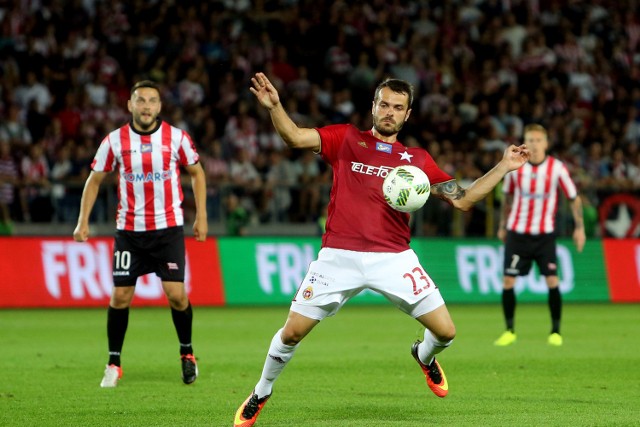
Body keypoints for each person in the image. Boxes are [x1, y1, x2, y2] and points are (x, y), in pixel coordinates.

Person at [233, 72, 530, 427]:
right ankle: (261, 392)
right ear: (373, 107)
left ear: (407, 115)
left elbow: (463, 200)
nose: (389, 112)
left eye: (398, 108)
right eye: (384, 104)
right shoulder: (345, 139)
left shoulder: (416, 161)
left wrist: (504, 166)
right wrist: (275, 107)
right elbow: (294, 137)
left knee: (447, 332)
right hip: (338, 256)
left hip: (393, 258)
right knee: (292, 332)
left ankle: (424, 355)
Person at [73, 80, 208, 387]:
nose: (146, 106)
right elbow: (94, 180)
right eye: (140, 100)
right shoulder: (114, 141)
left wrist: (201, 217)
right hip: (130, 232)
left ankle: (187, 354)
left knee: (176, 296)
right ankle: (113, 363)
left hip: (168, 230)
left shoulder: (176, 138)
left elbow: (197, 173)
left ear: (160, 107)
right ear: (130, 105)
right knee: (120, 297)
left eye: (151, 101)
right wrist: (83, 221)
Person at [494, 124, 585, 347]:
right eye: (530, 140)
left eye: (538, 140)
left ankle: (555, 331)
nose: (534, 144)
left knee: (552, 280)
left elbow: (573, 198)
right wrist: (503, 226)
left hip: (544, 236)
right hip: (517, 232)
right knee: (508, 280)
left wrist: (579, 227)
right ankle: (509, 330)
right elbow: (507, 199)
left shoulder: (557, 168)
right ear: (524, 142)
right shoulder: (515, 167)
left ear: (545, 143)